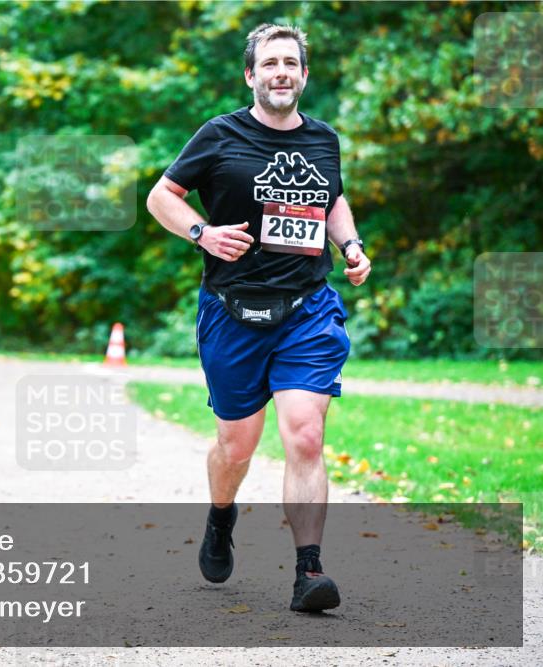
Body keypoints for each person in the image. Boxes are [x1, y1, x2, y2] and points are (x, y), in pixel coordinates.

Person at [146, 23, 371, 612]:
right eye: (269, 63)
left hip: (307, 308)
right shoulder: (221, 135)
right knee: (236, 447)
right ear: (251, 75)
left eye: (291, 63)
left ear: (303, 74)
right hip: (232, 311)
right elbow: (161, 196)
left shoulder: (324, 139)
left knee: (305, 432)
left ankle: (309, 572)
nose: (281, 72)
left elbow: (332, 200)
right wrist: (202, 232)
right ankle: (222, 517)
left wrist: (349, 245)